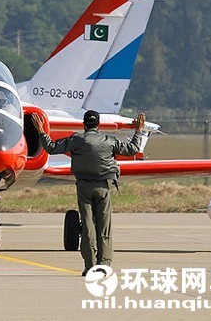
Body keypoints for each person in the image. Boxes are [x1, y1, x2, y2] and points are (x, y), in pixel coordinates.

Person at [32, 109, 146, 276]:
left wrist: (41, 130)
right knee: (104, 227)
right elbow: (133, 149)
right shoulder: (109, 140)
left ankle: (90, 265)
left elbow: (51, 147)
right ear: (98, 125)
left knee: (87, 226)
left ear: (84, 124)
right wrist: (138, 130)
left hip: (84, 187)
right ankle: (104, 265)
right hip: (104, 187)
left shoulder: (76, 140)